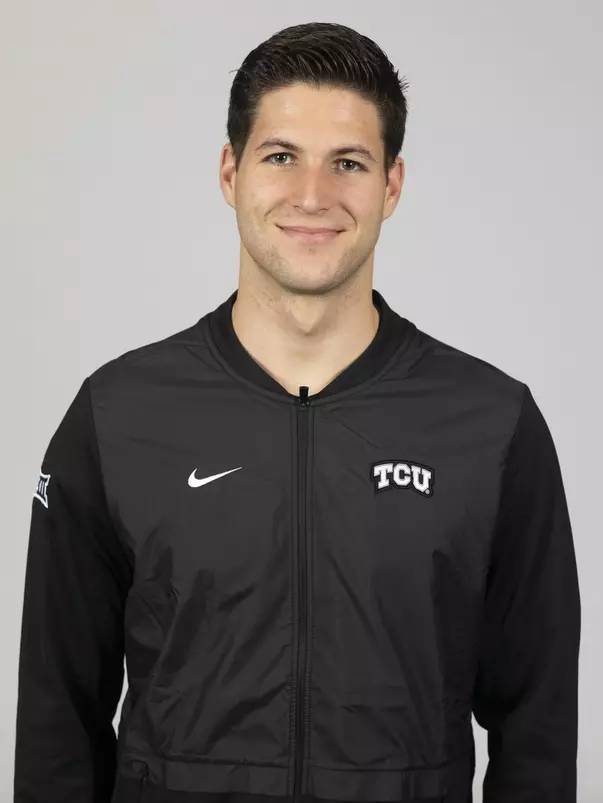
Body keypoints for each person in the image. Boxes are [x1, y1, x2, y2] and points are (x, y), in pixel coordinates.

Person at [14, 20, 581, 803]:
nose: (312, 195)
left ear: (391, 184)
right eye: (280, 156)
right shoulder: (116, 417)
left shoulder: (491, 425)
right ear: (229, 172)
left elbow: (537, 728)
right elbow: (56, 719)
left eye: (347, 163)